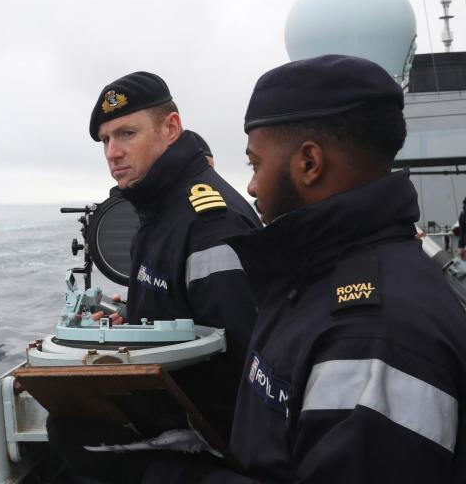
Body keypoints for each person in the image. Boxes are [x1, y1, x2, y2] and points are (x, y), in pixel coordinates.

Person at [141, 55, 466, 482]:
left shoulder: (372, 337)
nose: (252, 186)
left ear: (309, 163)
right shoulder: (313, 281)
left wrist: (154, 475)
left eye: (256, 165)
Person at [46, 71, 261, 482]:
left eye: (126, 133)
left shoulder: (208, 222)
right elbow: (180, 307)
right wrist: (131, 322)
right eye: (106, 140)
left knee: (72, 437)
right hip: (179, 403)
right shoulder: (158, 210)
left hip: (214, 429)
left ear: (171, 128)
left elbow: (243, 360)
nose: (113, 152)